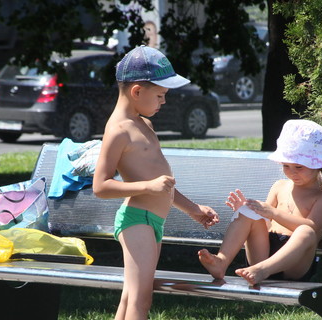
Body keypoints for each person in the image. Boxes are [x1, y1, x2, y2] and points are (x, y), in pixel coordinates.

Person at [93, 45, 220, 320]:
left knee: (131, 298)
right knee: (141, 299)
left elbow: (164, 186)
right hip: (137, 219)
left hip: (152, 222)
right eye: (160, 95)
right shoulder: (118, 131)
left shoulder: (144, 125)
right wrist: (146, 188)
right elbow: (100, 186)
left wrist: (193, 209)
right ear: (137, 91)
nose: (163, 101)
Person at [198, 119, 322, 285]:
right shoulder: (279, 186)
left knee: (306, 232)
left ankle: (262, 271)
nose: (292, 172)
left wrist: (273, 212)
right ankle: (221, 262)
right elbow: (267, 225)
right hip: (264, 253)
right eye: (286, 166)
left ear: (318, 166)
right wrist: (248, 212)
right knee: (247, 213)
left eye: (299, 167)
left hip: (296, 261)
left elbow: (312, 226)